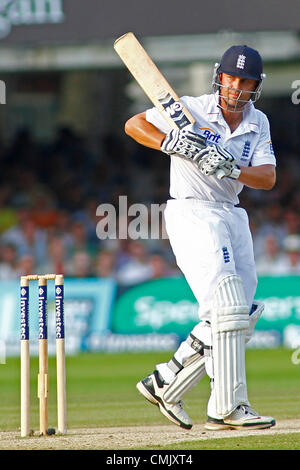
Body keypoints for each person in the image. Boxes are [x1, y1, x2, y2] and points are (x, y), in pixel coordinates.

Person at [124, 45, 276, 431]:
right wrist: (171, 142)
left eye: (246, 81)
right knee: (226, 305)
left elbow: (267, 178)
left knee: (243, 311)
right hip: (192, 210)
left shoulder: (258, 123)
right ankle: (228, 406)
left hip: (232, 214)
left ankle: (165, 382)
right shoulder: (190, 108)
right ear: (219, 77)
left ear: (256, 86)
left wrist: (230, 167)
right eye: (231, 78)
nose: (236, 87)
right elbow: (134, 125)